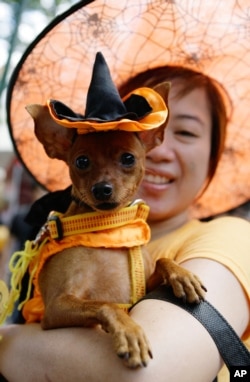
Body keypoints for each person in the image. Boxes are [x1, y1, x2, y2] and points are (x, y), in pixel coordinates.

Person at [0, 65, 249, 382]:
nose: (162, 153)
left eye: (185, 132)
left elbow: (152, 374)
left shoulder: (233, 237)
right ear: (57, 144)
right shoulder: (67, 235)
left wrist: (9, 342)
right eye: (85, 162)